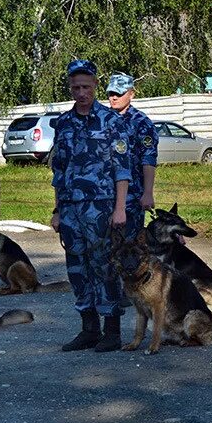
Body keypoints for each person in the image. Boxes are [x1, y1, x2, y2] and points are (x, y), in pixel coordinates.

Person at [51, 59, 132, 352]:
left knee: (104, 267)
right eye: (76, 87)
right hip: (71, 208)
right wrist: (57, 210)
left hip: (102, 207)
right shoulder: (63, 123)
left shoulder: (112, 122)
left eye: (86, 86)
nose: (81, 92)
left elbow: (123, 169)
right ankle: (88, 328)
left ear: (96, 86)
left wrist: (120, 208)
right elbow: (59, 171)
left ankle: (112, 330)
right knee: (77, 267)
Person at [106, 72, 158, 238]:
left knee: (129, 247)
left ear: (131, 94)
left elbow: (148, 158)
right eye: (111, 93)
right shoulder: (102, 119)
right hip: (104, 193)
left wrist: (148, 193)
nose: (114, 98)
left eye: (119, 94)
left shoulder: (141, 122)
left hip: (132, 195)